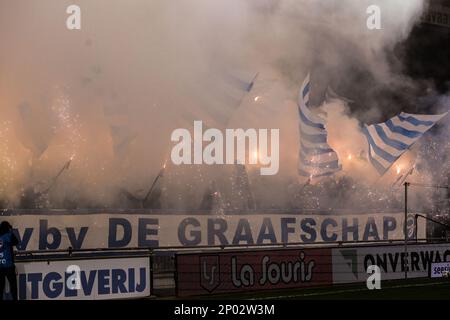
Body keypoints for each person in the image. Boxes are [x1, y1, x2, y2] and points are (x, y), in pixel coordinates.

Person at [0, 221, 18, 300]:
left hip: (0, 266)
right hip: (9, 265)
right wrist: (11, 231)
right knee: (13, 286)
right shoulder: (9, 235)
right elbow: (16, 242)